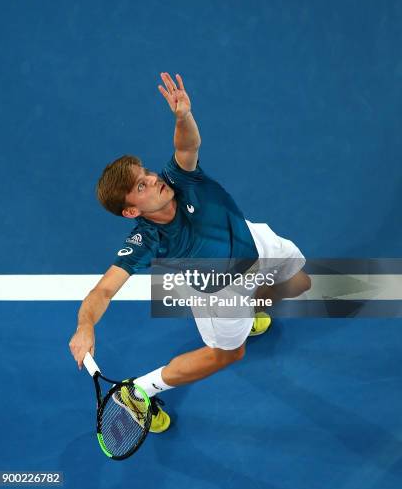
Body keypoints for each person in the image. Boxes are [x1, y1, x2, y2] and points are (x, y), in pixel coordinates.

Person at [69, 72, 311, 433]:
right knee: (229, 353)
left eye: (146, 172)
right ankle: (139, 391)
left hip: (256, 244)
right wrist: (84, 325)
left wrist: (183, 116)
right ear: (132, 211)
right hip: (219, 292)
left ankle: (253, 306)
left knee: (301, 283)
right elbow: (104, 290)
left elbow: (187, 147)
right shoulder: (146, 240)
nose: (152, 179)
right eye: (140, 185)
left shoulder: (181, 179)